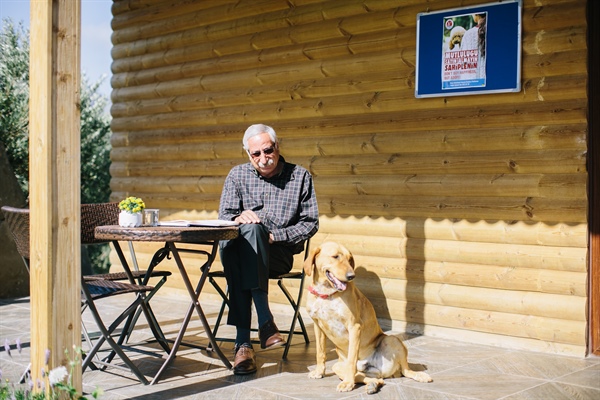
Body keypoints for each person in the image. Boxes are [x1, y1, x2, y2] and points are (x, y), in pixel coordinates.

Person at [218, 123, 319, 375]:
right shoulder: (237, 175)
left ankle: (243, 345)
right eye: (256, 154)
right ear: (248, 154)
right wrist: (238, 218)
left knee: (251, 242)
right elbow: (225, 217)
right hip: (238, 250)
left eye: (268, 150)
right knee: (249, 233)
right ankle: (266, 322)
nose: (264, 158)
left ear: (277, 147)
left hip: (278, 254)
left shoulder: (300, 176)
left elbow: (311, 222)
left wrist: (274, 236)